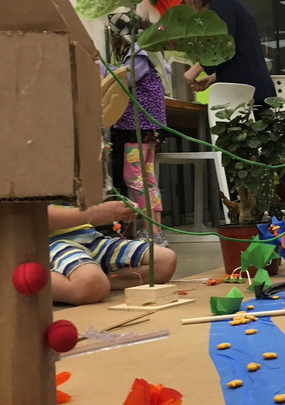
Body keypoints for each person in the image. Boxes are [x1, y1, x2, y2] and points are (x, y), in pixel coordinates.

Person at [106, 13, 172, 246]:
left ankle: (152, 232)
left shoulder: (139, 54)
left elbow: (124, 80)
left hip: (138, 126)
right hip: (148, 128)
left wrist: (102, 68)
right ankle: (154, 231)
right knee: (146, 178)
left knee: (134, 176)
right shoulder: (151, 55)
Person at [48, 201, 177, 305]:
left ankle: (98, 280)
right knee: (90, 285)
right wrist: (98, 212)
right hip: (53, 243)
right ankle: (39, 281)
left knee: (165, 261)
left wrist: (116, 211)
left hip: (91, 238)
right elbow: (43, 218)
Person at [182, 0, 276, 107]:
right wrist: (214, 77)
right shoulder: (233, 5)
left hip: (246, 93)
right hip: (252, 88)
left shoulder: (222, 4)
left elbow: (222, 45)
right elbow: (239, 50)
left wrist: (196, 69)